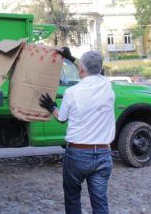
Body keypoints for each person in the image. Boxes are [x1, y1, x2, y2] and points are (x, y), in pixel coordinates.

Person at [39, 48, 115, 214]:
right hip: (103, 153)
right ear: (101, 68)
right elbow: (91, 69)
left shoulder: (72, 92)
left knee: (73, 198)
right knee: (100, 202)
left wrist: (52, 107)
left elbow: (61, 118)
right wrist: (71, 57)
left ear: (81, 68)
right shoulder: (107, 85)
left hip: (78, 154)